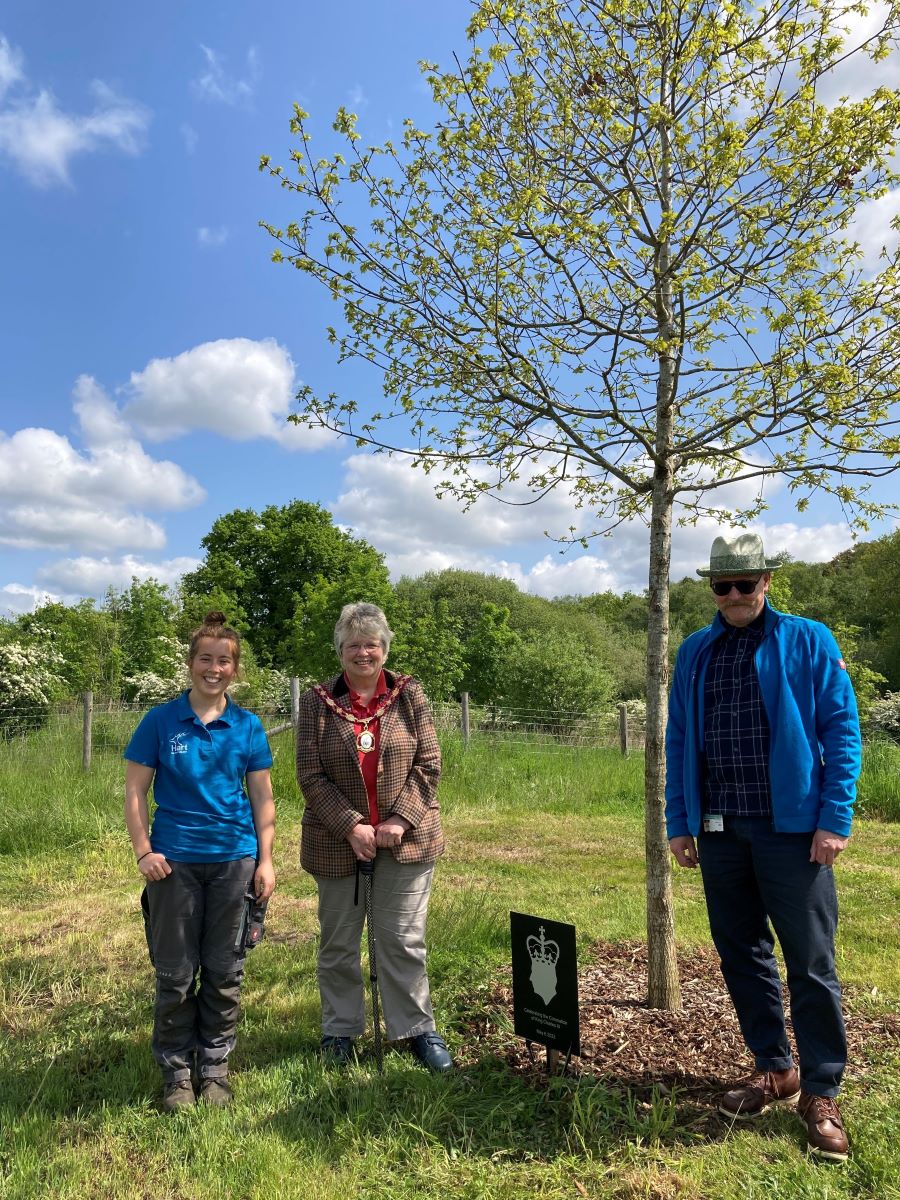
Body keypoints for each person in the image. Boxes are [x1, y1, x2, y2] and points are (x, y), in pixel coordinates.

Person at [666, 532, 860, 1162]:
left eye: (745, 584)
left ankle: (821, 1090)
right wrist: (680, 820)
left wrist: (834, 819)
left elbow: (842, 730)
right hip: (720, 829)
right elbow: (677, 742)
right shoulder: (695, 651)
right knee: (741, 954)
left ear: (766, 582)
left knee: (810, 962)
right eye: (722, 586)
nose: (734, 596)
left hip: (793, 831)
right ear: (712, 589)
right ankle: (774, 1069)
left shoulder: (809, 640)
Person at [124, 611, 276, 1111]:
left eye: (224, 660)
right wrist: (144, 850)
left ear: (236, 668)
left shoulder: (248, 726)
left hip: (234, 860)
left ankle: (213, 1069)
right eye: (205, 658)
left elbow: (262, 799)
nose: (214, 668)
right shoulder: (160, 721)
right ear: (190, 664)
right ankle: (175, 1074)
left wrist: (265, 859)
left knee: (225, 969)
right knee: (174, 971)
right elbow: (134, 791)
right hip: (173, 864)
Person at [296, 602, 452, 1071]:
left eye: (371, 644)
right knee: (339, 943)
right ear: (340, 651)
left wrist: (398, 820)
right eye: (353, 645)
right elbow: (309, 772)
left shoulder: (409, 694)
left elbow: (429, 763)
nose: (362, 653)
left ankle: (416, 1028)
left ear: (383, 649)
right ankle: (340, 1031)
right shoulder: (317, 699)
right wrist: (351, 826)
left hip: (408, 839)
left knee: (402, 939)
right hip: (335, 841)